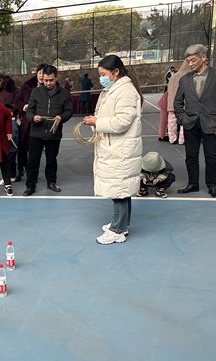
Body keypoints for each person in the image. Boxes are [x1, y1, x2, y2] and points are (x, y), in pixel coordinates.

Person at [83, 54, 143, 245]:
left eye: (103, 74)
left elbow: (122, 121)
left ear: (115, 72)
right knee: (122, 189)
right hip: (115, 147)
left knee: (119, 190)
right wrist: (96, 121)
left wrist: (97, 122)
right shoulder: (113, 90)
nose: (101, 78)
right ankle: (121, 224)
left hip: (121, 150)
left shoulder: (124, 91)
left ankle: (117, 230)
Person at [174, 44, 216, 198]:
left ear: (204, 57)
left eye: (193, 60)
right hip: (190, 123)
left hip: (212, 124)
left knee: (211, 157)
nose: (190, 64)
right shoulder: (184, 80)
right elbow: (177, 102)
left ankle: (212, 186)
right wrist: (182, 119)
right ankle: (193, 184)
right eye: (188, 61)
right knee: (191, 156)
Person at [23, 65, 73, 196]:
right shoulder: (36, 92)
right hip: (36, 133)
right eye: (45, 80)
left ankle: (51, 182)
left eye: (51, 80)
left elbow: (69, 111)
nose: (48, 83)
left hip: (54, 133)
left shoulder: (65, 93)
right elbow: (29, 111)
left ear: (57, 78)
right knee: (33, 161)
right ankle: (30, 185)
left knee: (51, 160)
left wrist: (61, 118)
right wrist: (33, 117)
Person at [14, 64, 48, 181]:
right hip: (26, 122)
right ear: (37, 74)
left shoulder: (50, 89)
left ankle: (32, 173)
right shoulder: (27, 86)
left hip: (41, 123)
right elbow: (17, 101)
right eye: (40, 73)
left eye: (44, 74)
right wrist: (25, 107)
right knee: (22, 147)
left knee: (35, 150)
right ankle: (20, 170)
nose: (42, 76)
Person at [166, 60, 192, 144]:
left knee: (171, 122)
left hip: (171, 102)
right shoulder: (187, 77)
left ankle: (171, 138)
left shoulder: (173, 76)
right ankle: (182, 139)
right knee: (183, 122)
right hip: (182, 103)